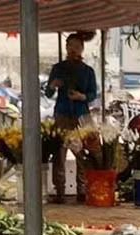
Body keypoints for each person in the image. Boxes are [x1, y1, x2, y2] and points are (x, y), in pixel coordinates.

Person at [45, 32, 97, 203]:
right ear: (66, 48)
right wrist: (53, 85)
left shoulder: (88, 71)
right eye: (70, 46)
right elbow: (48, 92)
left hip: (82, 115)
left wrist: (81, 97)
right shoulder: (58, 68)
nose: (73, 50)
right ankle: (60, 191)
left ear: (82, 48)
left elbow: (93, 94)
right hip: (62, 114)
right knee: (59, 152)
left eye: (77, 47)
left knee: (84, 153)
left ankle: (82, 190)